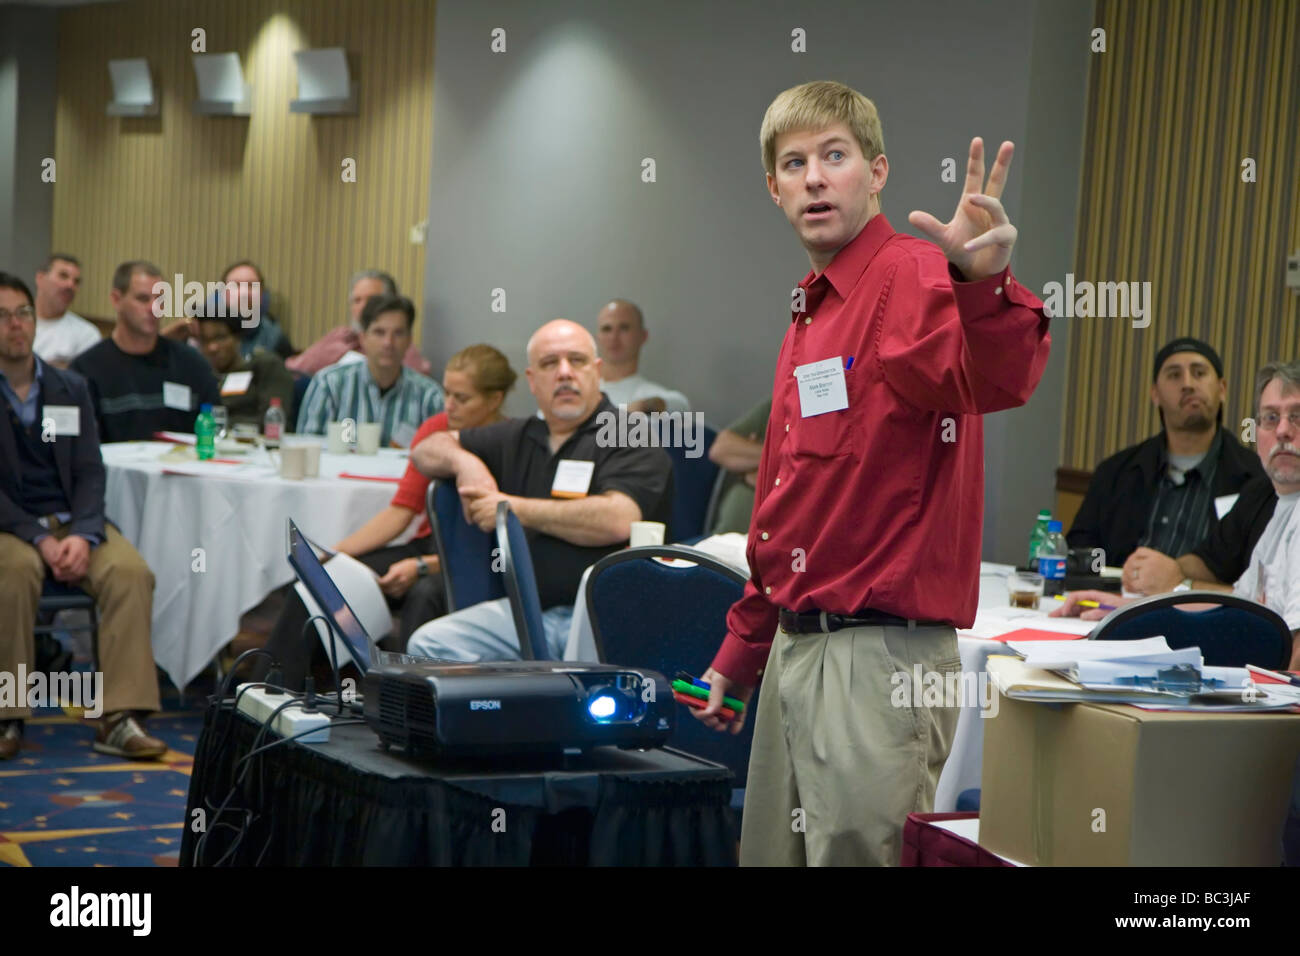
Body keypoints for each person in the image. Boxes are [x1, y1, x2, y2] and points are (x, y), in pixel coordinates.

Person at [690, 81, 1050, 866]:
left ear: (877, 172)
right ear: (773, 188)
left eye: (835, 156)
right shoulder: (813, 309)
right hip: (797, 650)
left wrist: (983, 286)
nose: (815, 177)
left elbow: (992, 382)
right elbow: (792, 499)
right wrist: (744, 648)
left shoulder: (917, 274)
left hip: (879, 660)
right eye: (794, 163)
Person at [407, 319, 673, 662]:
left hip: (605, 616)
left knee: (579, 690)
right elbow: (425, 450)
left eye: (576, 361)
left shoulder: (629, 433)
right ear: (532, 380)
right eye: (549, 364)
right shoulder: (518, 435)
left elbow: (617, 518)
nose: (564, 373)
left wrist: (509, 508)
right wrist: (464, 463)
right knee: (429, 644)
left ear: (596, 371)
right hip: (528, 612)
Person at [257, 345, 516, 689]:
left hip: (483, 561)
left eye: (462, 398)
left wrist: (423, 566)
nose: (448, 405)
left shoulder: (513, 443)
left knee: (424, 594)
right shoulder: (437, 428)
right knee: (320, 580)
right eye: (447, 393)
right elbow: (400, 512)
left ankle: (405, 706)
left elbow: (499, 547)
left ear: (494, 400)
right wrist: (336, 553)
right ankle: (267, 694)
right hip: (430, 544)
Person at [0, 272, 166, 761]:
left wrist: (87, 533)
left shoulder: (69, 387)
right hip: (11, 526)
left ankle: (119, 716)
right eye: (3, 316)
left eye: (24, 314)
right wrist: (38, 537)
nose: (16, 325)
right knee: (13, 573)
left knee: (131, 573)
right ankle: (7, 713)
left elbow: (92, 471)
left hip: (73, 520)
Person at [1055, 360, 1300, 671]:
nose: (1282, 431)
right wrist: (1130, 611)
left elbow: (1295, 665)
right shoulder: (1280, 503)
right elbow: (1237, 608)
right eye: (1270, 418)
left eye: (1297, 416)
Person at [1067, 337, 1268, 569]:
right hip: (1119, 600)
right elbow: (1080, 551)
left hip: (1207, 602)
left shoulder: (1255, 481)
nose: (1188, 384)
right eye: (1174, 375)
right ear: (1155, 394)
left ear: (1221, 389)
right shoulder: (1116, 472)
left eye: (1199, 373)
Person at [70, 261, 219, 442]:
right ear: (116, 300)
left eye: (160, 300)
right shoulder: (87, 369)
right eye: (143, 299)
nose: (153, 308)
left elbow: (216, 427)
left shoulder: (192, 365)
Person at [295, 293, 443, 447]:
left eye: (398, 333)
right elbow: (307, 447)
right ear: (363, 338)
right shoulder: (329, 384)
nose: (388, 343)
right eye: (379, 332)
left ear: (409, 340)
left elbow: (438, 457)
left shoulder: (429, 396)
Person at [285, 269, 432, 376]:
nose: (363, 307)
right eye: (357, 300)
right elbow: (295, 366)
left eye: (371, 299)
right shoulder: (340, 337)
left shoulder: (399, 346)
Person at [196, 308, 296, 428]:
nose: (212, 347)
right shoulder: (200, 374)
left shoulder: (265, 365)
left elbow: (272, 420)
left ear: (238, 338)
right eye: (205, 340)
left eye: (220, 337)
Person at [596, 299, 690, 413]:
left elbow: (681, 405)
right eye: (607, 329)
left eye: (624, 328)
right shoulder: (581, 389)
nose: (613, 337)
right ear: (598, 337)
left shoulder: (649, 394)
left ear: (643, 336)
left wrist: (644, 406)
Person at [707, 397, 771, 534]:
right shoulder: (778, 404)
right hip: (722, 539)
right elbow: (721, 450)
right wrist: (774, 461)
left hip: (774, 546)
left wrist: (753, 461)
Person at [32, 253, 100, 368]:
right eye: (63, 276)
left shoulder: (86, 334)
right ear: (40, 279)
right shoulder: (15, 323)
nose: (70, 285)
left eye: (76, 281)